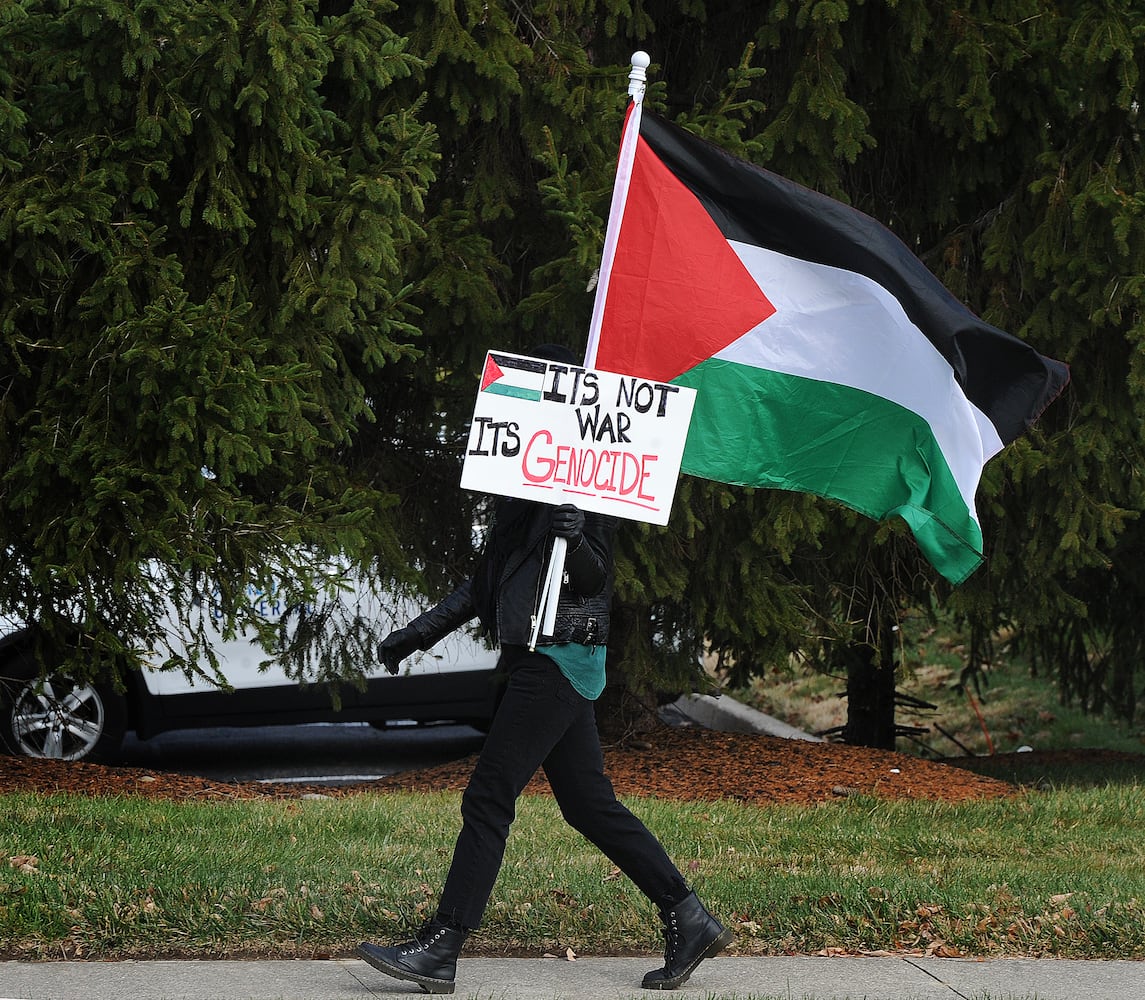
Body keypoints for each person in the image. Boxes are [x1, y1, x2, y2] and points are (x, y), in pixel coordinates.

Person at [356, 346, 731, 995]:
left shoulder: (583, 495)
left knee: (488, 795)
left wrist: (577, 534)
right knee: (588, 806)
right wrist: (413, 637)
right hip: (542, 659)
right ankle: (687, 914)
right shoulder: (519, 505)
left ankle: (443, 945)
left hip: (559, 659)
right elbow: (484, 586)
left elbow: (596, 579)